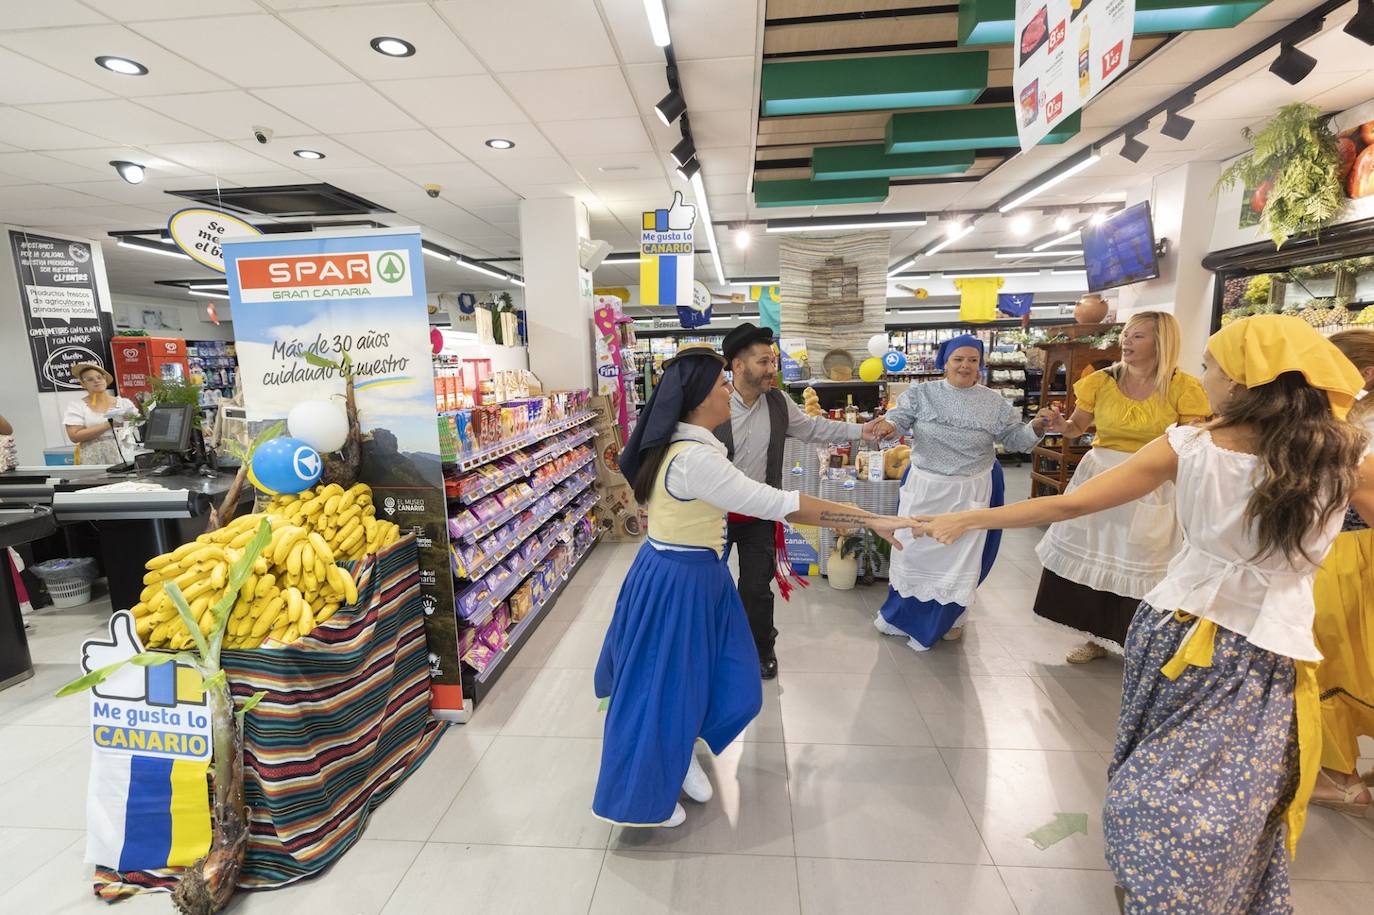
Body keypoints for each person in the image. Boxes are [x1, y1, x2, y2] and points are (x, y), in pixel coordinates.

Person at [917, 315, 1372, 914]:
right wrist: (967, 518)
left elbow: (1073, 502)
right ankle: (1190, 885)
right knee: (1231, 792)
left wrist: (968, 519)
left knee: (1160, 780)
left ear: (1240, 381)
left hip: (1178, 631)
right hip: (1257, 649)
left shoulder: (1193, 446)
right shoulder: (1342, 457)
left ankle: (1164, 886)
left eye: (1211, 366)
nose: (1202, 377)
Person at [593, 346, 918, 828]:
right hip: (681, 581)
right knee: (665, 683)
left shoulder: (680, 445)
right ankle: (643, 794)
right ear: (699, 398)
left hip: (681, 572)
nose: (729, 391)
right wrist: (871, 517)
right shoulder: (694, 460)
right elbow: (782, 503)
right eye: (721, 385)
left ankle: (681, 747)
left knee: (704, 673)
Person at [1031, 312, 1210, 664]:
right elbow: (1075, 428)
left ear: (1162, 343)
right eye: (1126, 335)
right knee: (1097, 551)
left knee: (1143, 558)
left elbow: (1192, 440)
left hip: (1151, 483)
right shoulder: (1100, 381)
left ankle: (1135, 640)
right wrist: (1059, 423)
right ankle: (1094, 637)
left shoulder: (1183, 387)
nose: (1126, 342)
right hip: (1100, 477)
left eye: (1138, 336)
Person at [864, 334, 1056, 651]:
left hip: (970, 490)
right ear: (944, 363)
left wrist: (1035, 427)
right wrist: (888, 426)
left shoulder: (994, 403)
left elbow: (1016, 441)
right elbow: (899, 418)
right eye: (958, 359)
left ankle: (950, 619)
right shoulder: (921, 393)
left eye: (972, 360)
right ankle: (900, 617)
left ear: (980, 365)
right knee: (912, 552)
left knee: (958, 559)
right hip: (925, 485)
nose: (965, 366)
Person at [715, 322, 884, 679]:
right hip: (712, 516)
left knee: (756, 589)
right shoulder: (713, 402)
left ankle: (762, 650)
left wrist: (860, 430)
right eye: (763, 362)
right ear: (738, 365)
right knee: (706, 586)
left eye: (773, 360)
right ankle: (710, 650)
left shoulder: (777, 402)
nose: (771, 369)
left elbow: (813, 428)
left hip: (761, 512)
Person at [1310, 328, 1374, 814]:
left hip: (1346, 552)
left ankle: (1339, 777)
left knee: (1329, 660)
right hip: (1349, 550)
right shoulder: (1351, 421)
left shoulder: (1354, 432)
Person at [63, 363, 138, 465]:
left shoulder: (124, 403)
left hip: (125, 455)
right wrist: (109, 424)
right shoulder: (77, 407)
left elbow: (138, 424)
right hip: (93, 459)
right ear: (83, 384)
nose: (96, 381)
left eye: (99, 377)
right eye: (90, 379)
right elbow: (74, 436)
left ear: (105, 379)